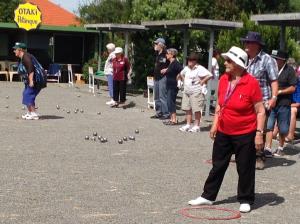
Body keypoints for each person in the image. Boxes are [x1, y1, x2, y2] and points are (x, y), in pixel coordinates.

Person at [188, 46, 266, 213]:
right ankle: (208, 196)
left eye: (229, 60)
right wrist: (215, 124)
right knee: (218, 165)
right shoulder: (224, 79)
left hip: (245, 132)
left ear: (238, 64)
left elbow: (260, 111)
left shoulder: (251, 83)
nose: (225, 63)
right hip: (224, 130)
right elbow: (220, 104)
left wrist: (259, 134)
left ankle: (246, 199)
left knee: (244, 167)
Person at [241, 31, 278, 170]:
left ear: (256, 45)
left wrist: (274, 98)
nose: (246, 44)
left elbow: (274, 81)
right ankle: (246, 155)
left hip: (262, 101)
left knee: (259, 130)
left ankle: (259, 156)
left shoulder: (267, 59)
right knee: (246, 130)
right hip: (245, 101)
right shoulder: (244, 59)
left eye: (248, 42)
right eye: (245, 42)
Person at [264, 50, 296, 157]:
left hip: (284, 103)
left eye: (276, 58)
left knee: (283, 128)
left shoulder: (290, 70)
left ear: (282, 60)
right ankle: (268, 148)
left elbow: (293, 87)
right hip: (272, 103)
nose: (274, 60)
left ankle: (280, 147)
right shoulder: (271, 68)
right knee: (269, 125)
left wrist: (280, 91)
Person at [178, 53, 212, 132]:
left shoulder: (199, 68)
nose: (189, 61)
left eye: (191, 60)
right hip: (187, 91)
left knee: (196, 109)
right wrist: (183, 80)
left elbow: (209, 75)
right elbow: (181, 74)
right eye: (188, 59)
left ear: (195, 61)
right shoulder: (186, 68)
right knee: (187, 108)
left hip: (196, 91)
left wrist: (203, 81)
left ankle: (197, 125)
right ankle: (188, 124)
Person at [14, 42, 41, 120]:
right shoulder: (23, 57)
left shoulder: (26, 57)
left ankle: (33, 114)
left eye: (15, 49)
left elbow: (31, 69)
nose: (14, 51)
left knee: (28, 94)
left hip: (35, 80)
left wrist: (31, 81)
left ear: (20, 50)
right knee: (27, 94)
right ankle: (30, 112)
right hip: (30, 79)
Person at [161, 48, 183, 125]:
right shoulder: (171, 63)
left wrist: (179, 77)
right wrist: (166, 70)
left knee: (171, 102)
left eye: (167, 53)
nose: (166, 55)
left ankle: (174, 119)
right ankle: (171, 118)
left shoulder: (176, 63)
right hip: (169, 85)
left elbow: (182, 71)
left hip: (173, 85)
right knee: (168, 102)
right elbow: (171, 70)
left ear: (172, 55)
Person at [150, 38, 170, 120]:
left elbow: (173, 64)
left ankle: (166, 114)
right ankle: (159, 112)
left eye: (156, 44)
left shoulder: (166, 54)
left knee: (162, 96)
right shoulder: (157, 54)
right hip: (156, 77)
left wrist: (167, 69)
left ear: (160, 45)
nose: (154, 45)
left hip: (163, 78)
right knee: (156, 96)